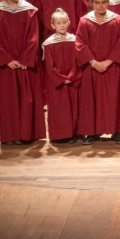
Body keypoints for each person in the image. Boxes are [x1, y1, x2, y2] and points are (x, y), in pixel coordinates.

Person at [0, 0, 46, 145]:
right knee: (9, 99)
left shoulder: (30, 10)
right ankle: (11, 135)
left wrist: (24, 59)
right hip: (7, 64)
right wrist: (7, 59)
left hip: (25, 62)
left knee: (28, 97)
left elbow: (33, 38)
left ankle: (28, 134)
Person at [75, 0, 120, 145]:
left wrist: (108, 61)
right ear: (91, 3)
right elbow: (80, 43)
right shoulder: (84, 21)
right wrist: (93, 62)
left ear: (108, 2)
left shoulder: (117, 20)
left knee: (114, 100)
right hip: (92, 68)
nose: (100, 6)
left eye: (104, 2)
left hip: (111, 67)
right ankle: (92, 132)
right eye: (97, 2)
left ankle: (117, 132)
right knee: (92, 101)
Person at [41, 8, 82, 144]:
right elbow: (49, 66)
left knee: (74, 107)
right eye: (59, 23)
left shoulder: (74, 40)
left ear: (69, 22)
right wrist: (61, 78)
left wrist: (70, 77)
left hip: (72, 81)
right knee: (60, 109)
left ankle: (75, 133)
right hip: (57, 84)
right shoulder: (49, 44)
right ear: (53, 25)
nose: (62, 25)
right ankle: (60, 135)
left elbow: (78, 62)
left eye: (64, 22)